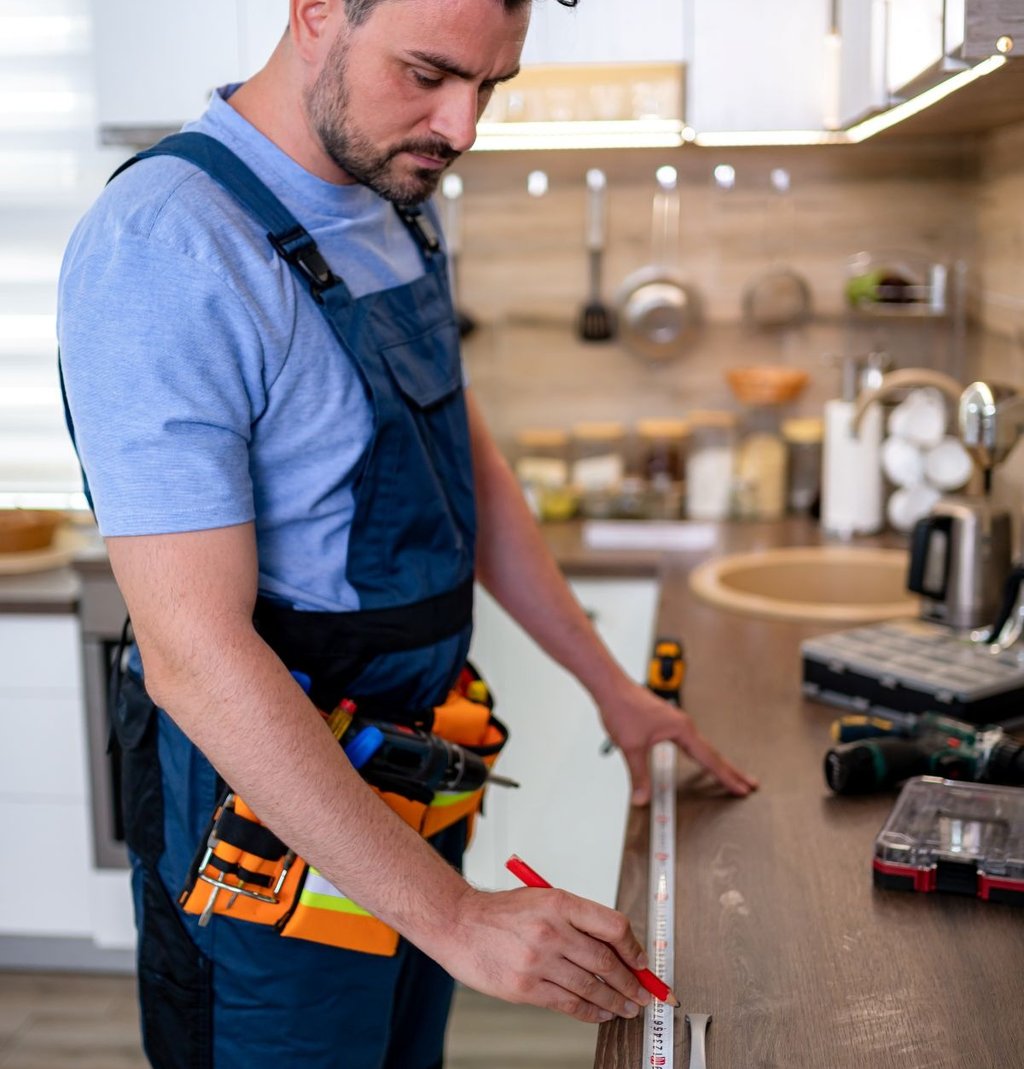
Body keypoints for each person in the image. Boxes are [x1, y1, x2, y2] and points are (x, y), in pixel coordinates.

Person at [57, 0, 758, 1066]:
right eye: (429, 72)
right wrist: (455, 915)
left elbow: (462, 469)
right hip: (265, 836)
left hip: (410, 780)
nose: (464, 125)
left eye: (491, 86)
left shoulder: (396, 197)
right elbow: (192, 658)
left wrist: (613, 688)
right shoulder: (171, 244)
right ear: (316, 14)